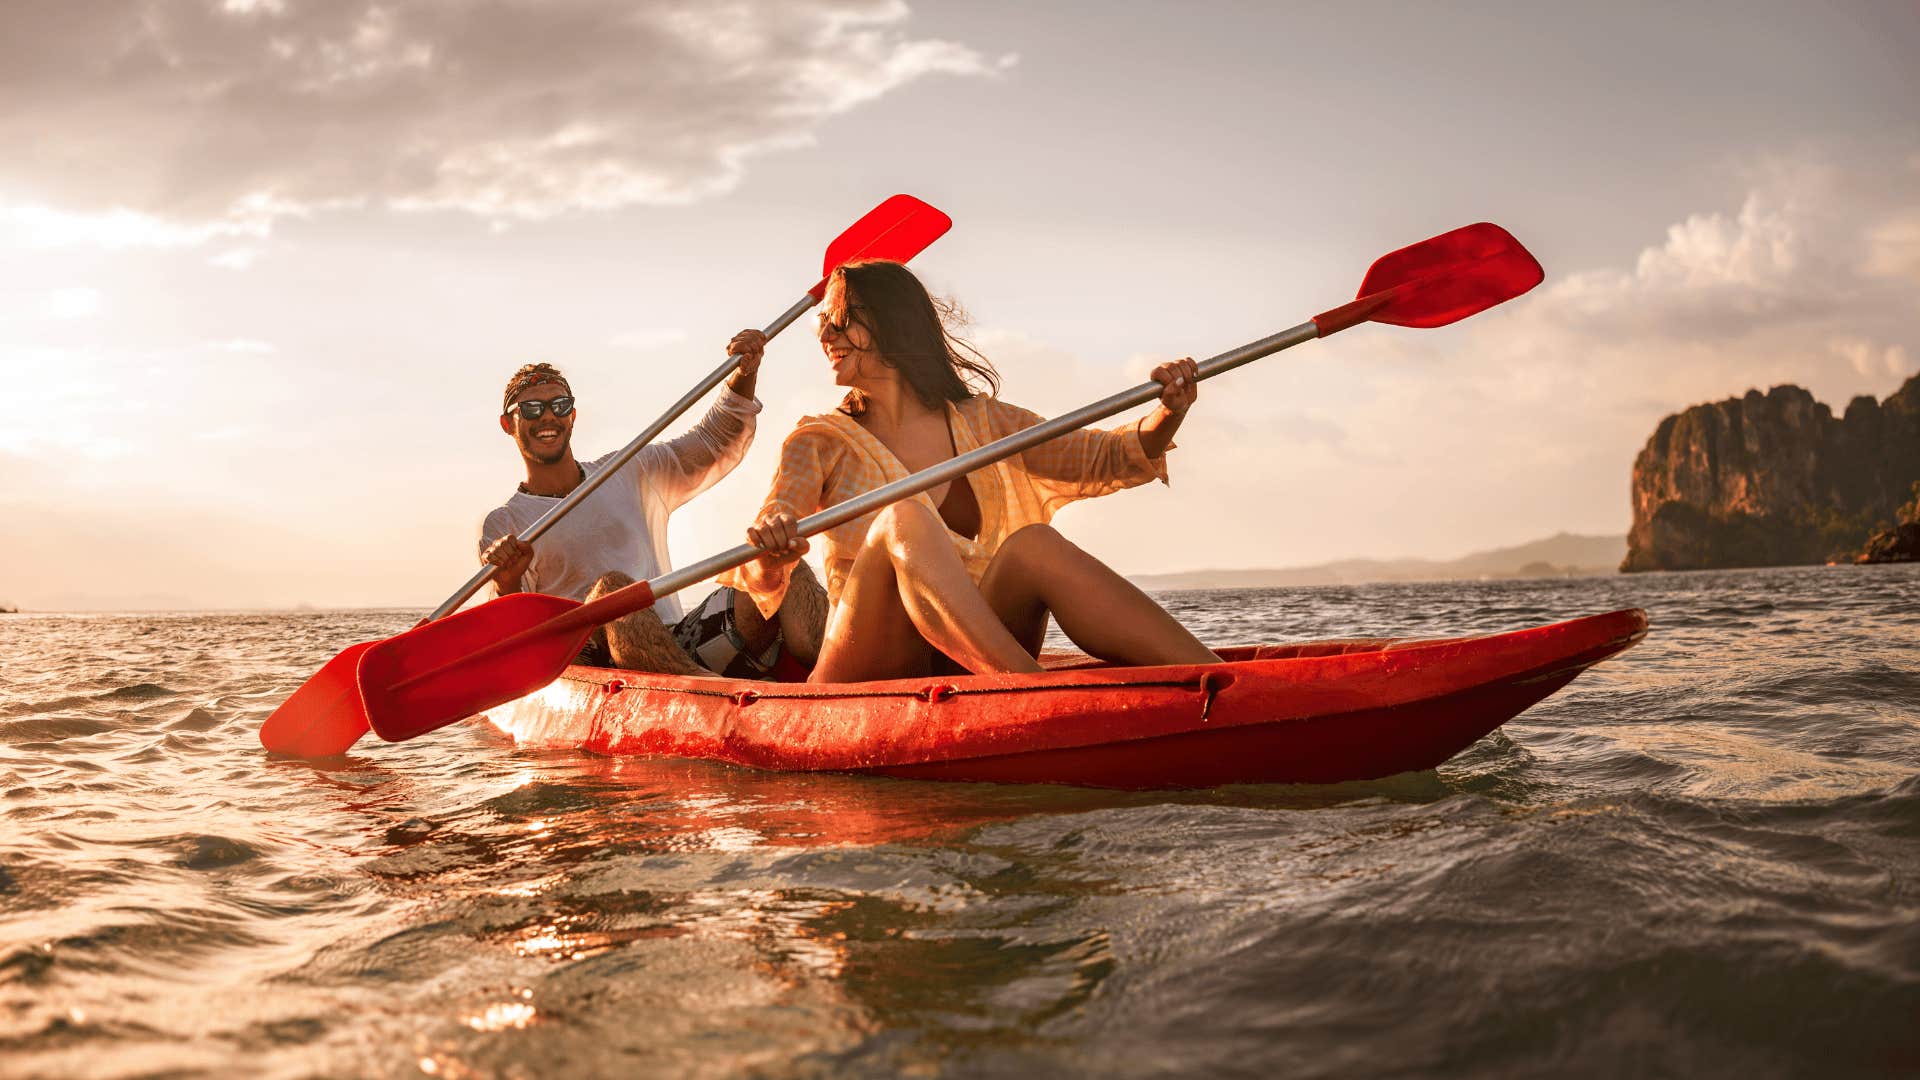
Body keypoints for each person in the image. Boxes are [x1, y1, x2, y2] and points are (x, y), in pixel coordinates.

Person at [727, 260, 1222, 682]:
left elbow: (1103, 457)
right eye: (823, 326)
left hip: (969, 661)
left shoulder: (984, 421)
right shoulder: (819, 439)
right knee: (904, 519)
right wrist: (773, 540)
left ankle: (1223, 681)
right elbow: (774, 532)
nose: (826, 336)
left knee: (1034, 543)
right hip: (869, 663)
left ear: (890, 323)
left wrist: (1168, 411)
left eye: (839, 321)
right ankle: (1030, 691)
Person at [479, 331, 826, 677]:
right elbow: (514, 636)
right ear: (508, 423)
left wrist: (744, 373)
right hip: (591, 665)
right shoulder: (505, 522)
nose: (547, 417)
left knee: (778, 564)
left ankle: (838, 674)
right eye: (531, 408)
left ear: (572, 415)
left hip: (676, 644)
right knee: (612, 589)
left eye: (559, 406)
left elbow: (714, 440)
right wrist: (507, 581)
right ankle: (704, 694)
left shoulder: (626, 469)